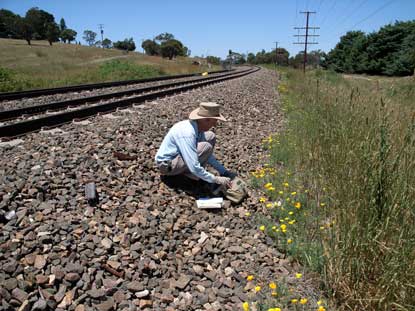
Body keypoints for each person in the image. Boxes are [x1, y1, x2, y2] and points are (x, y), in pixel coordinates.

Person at [155, 102, 237, 191]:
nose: (215, 125)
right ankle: (188, 179)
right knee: (206, 146)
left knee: (210, 136)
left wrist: (223, 171)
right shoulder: (188, 133)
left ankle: (195, 176)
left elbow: (207, 154)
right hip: (168, 166)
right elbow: (194, 164)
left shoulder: (198, 127)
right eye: (214, 121)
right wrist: (215, 179)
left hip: (177, 159)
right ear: (206, 120)